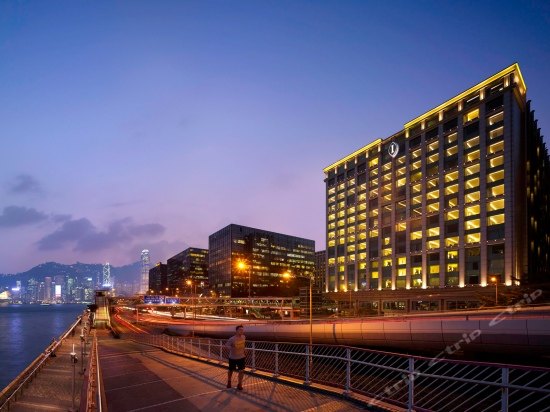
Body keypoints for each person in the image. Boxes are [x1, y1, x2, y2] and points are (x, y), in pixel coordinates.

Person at [225, 324, 246, 390]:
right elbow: (226, 345)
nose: (241, 331)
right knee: (231, 370)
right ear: (236, 331)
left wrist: (244, 350)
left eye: (242, 330)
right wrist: (231, 348)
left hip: (242, 357)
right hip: (233, 357)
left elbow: (243, 345)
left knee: (241, 371)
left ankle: (239, 384)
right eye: (240, 330)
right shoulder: (232, 339)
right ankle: (229, 381)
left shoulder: (244, 337)